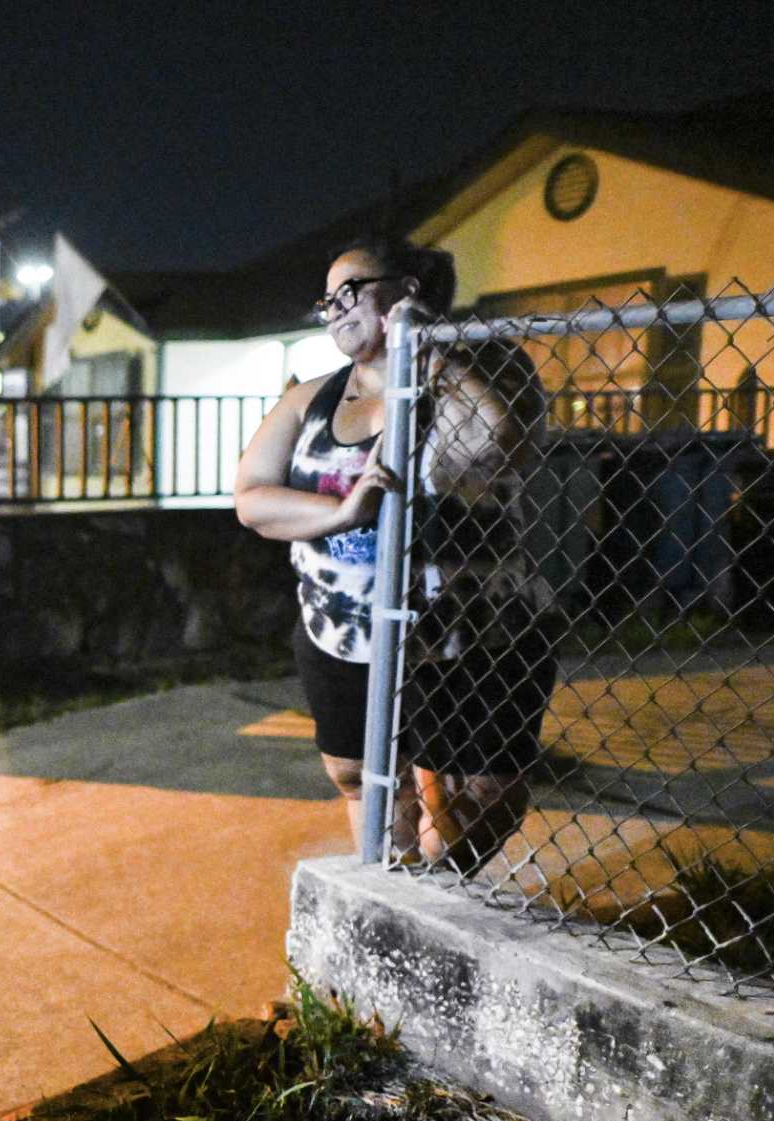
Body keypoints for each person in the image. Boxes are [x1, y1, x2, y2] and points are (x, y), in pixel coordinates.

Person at [234, 237, 555, 867]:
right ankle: (395, 890)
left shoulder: (485, 364)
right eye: (325, 300)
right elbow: (251, 498)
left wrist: (423, 347)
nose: (332, 309)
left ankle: (438, 891)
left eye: (348, 292)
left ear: (407, 289)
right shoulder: (312, 398)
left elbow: (499, 441)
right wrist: (342, 511)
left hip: (471, 634)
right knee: (361, 776)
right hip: (344, 633)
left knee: (485, 792)